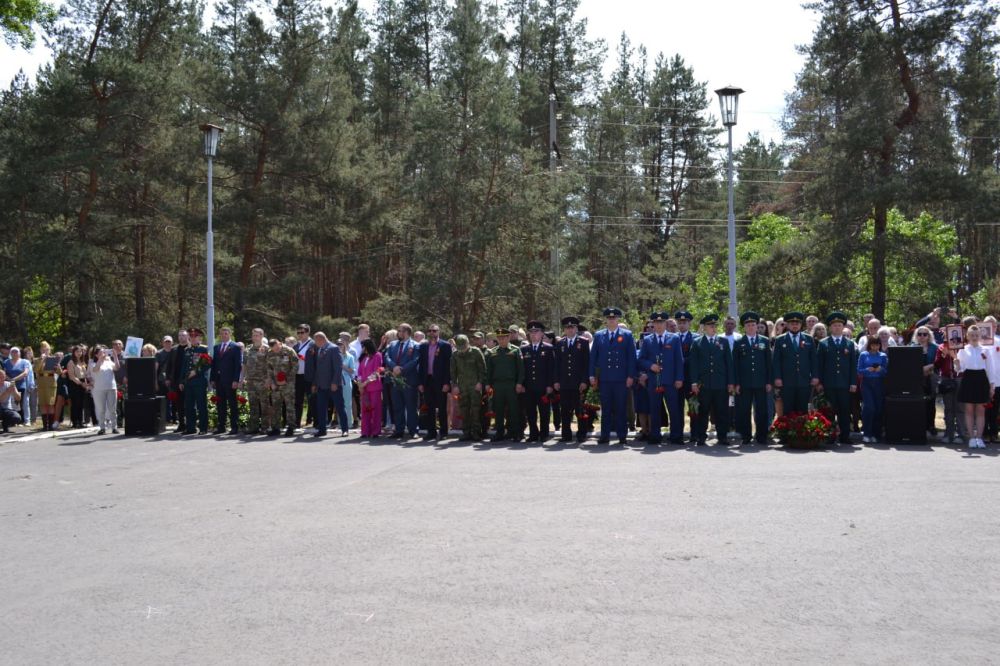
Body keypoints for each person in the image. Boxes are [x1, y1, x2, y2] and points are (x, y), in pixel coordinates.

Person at [589, 307, 637, 445]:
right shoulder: (599, 335)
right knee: (606, 408)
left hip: (621, 379)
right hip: (605, 379)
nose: (612, 320)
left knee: (621, 408)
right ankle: (605, 435)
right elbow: (593, 358)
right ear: (606, 320)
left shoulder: (627, 335)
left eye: (614, 318)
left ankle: (622, 436)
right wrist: (592, 375)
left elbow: (631, 358)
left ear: (618, 319)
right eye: (609, 318)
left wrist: (630, 376)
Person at [637, 312, 684, 445]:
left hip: (670, 381)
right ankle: (655, 435)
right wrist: (650, 365)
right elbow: (640, 360)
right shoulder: (647, 340)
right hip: (654, 381)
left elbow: (678, 361)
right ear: (653, 324)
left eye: (661, 322)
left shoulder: (674, 339)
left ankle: (676, 436)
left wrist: (679, 378)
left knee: (673, 409)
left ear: (665, 324)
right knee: (655, 409)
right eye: (656, 323)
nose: (658, 325)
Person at [689, 314, 734, 446]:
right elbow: (694, 365)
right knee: (703, 411)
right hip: (704, 384)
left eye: (715, 326)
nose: (713, 328)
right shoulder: (697, 343)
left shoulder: (723, 341)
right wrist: (694, 382)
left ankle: (722, 436)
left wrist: (730, 382)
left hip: (720, 383)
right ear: (704, 328)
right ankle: (701, 437)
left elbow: (729, 363)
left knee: (722, 411)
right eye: (710, 326)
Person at [817, 312, 858, 445]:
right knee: (829, 411)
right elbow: (820, 365)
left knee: (845, 412)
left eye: (839, 325)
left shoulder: (849, 344)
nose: (837, 328)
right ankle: (830, 436)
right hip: (829, 384)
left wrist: (853, 382)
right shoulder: (823, 344)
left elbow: (853, 365)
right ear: (830, 328)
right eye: (834, 326)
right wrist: (820, 382)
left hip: (845, 384)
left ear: (843, 327)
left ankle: (845, 436)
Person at [952, 325, 996, 449]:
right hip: (968, 379)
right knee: (969, 410)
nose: (974, 337)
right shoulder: (962, 349)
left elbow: (990, 369)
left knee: (981, 410)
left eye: (976, 335)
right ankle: (971, 438)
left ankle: (979, 438)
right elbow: (959, 369)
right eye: (972, 335)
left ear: (980, 336)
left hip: (982, 379)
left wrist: (992, 385)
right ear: (967, 336)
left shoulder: (986, 350)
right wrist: (956, 363)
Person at [733, 311, 772, 446]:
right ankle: (746, 435)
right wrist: (736, 383)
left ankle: (761, 436)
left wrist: (768, 381)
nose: (751, 327)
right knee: (744, 410)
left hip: (761, 382)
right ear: (744, 327)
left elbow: (769, 363)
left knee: (762, 410)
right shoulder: (739, 343)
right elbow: (735, 365)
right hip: (744, 383)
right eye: (748, 325)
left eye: (753, 324)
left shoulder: (764, 341)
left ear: (757, 326)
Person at [772, 311, 818, 414]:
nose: (795, 325)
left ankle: (802, 430)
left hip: (804, 379)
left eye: (797, 323)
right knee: (788, 408)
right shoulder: (780, 340)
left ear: (801, 325)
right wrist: (777, 377)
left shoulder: (809, 339)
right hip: (787, 380)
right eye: (792, 323)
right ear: (787, 325)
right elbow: (776, 361)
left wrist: (815, 376)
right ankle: (788, 430)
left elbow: (814, 360)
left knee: (803, 408)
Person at [554, 316, 590, 443]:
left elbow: (587, 364)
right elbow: (557, 364)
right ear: (564, 329)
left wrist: (584, 381)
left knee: (580, 410)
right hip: (564, 383)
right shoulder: (559, 344)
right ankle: (566, 434)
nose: (570, 330)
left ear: (576, 328)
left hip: (578, 383)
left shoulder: (584, 342)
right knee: (564, 411)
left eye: (572, 327)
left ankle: (582, 434)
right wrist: (556, 381)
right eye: (567, 328)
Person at [520, 321, 556, 443]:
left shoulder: (548, 348)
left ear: (542, 334)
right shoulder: (524, 349)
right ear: (528, 334)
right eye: (531, 332)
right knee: (530, 412)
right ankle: (533, 434)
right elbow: (522, 370)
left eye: (537, 332)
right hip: (529, 387)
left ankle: (544, 434)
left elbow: (551, 369)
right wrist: (523, 384)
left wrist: (550, 385)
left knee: (544, 412)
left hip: (543, 387)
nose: (534, 334)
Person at [486, 328, 524, 442]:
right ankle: (499, 432)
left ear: (508, 338)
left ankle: (516, 433)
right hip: (497, 385)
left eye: (504, 337)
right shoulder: (492, 352)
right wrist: (488, 384)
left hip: (511, 385)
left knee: (513, 410)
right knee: (499, 410)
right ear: (497, 339)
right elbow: (488, 370)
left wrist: (519, 383)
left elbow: (521, 369)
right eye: (500, 338)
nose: (502, 340)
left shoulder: (515, 350)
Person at [417, 324, 452, 441]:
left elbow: (449, 366)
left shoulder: (445, 345)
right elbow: (421, 365)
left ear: (439, 332)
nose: (432, 333)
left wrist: (447, 383)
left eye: (435, 331)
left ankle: (443, 432)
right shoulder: (424, 346)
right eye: (430, 330)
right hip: (427, 380)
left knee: (442, 407)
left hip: (441, 381)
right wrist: (420, 383)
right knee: (429, 408)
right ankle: (431, 432)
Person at [386, 323, 420, 439]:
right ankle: (399, 430)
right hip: (395, 380)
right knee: (397, 406)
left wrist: (402, 369)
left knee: (411, 407)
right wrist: (394, 367)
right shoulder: (392, 344)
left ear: (406, 332)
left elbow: (415, 360)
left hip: (409, 381)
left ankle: (413, 430)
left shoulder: (415, 345)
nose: (397, 333)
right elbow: (387, 357)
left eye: (400, 331)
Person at [450, 334, 486, 442]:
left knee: (475, 410)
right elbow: (453, 372)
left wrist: (480, 382)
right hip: (462, 386)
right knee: (464, 410)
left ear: (467, 343)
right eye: (460, 348)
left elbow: (482, 369)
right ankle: (466, 432)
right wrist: (455, 386)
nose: (462, 350)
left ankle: (476, 433)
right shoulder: (455, 355)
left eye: (463, 347)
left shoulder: (476, 352)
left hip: (475, 386)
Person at [308, 332, 343, 438]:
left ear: (320, 340)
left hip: (333, 384)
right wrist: (314, 383)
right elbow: (318, 369)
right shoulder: (319, 349)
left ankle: (345, 429)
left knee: (340, 407)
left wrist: (335, 382)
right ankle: (322, 430)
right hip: (321, 385)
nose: (315, 344)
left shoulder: (334, 348)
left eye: (316, 341)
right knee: (321, 408)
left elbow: (338, 367)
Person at [211, 327, 243, 435]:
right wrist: (212, 379)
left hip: (230, 381)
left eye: (226, 333)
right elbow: (214, 364)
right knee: (220, 404)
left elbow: (237, 365)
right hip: (219, 380)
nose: (224, 335)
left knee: (232, 404)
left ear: (230, 334)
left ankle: (234, 427)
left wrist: (236, 380)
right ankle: (221, 426)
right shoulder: (216, 347)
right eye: (221, 334)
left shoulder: (235, 347)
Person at [180, 328, 211, 435]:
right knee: (189, 406)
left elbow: (207, 365)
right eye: (191, 337)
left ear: (199, 338)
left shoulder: (203, 349)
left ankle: (203, 428)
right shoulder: (187, 350)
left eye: (195, 337)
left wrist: (196, 372)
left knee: (201, 405)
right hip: (188, 382)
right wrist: (181, 381)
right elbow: (184, 367)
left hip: (199, 381)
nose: (193, 339)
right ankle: (190, 428)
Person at [267, 337, 299, 437]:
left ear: (280, 343)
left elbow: (295, 365)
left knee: (289, 406)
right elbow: (269, 368)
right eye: (273, 349)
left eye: (277, 347)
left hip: (288, 383)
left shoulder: (289, 351)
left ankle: (291, 427)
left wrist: (287, 379)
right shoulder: (270, 353)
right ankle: (276, 428)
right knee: (276, 406)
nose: (275, 350)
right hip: (275, 384)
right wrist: (271, 382)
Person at [241, 329, 271, 435]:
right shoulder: (248, 349)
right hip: (251, 381)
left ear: (262, 336)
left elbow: (270, 366)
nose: (255, 337)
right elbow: (244, 365)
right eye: (253, 335)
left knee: (264, 405)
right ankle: (253, 427)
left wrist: (268, 379)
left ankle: (265, 427)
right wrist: (242, 378)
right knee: (253, 404)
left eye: (257, 335)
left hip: (263, 381)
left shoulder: (267, 349)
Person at [858, 337, 888, 443]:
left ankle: (876, 434)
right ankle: (867, 433)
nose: (875, 347)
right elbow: (859, 370)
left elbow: (886, 372)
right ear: (869, 345)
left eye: (877, 345)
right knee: (869, 407)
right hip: (867, 383)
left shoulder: (883, 356)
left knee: (878, 409)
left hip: (879, 383)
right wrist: (867, 370)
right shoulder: (863, 355)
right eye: (873, 344)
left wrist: (880, 369)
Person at [911, 325, 939, 437]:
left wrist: (930, 367)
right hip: (916, 378)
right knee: (918, 402)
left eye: (924, 334)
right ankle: (919, 425)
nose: (922, 336)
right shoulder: (912, 347)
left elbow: (939, 362)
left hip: (931, 376)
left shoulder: (935, 347)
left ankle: (930, 426)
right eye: (919, 334)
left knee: (931, 402)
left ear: (929, 336)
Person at [87, 346, 120, 435]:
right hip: (99, 389)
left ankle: (114, 427)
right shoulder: (92, 363)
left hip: (111, 387)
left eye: (104, 352)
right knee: (101, 409)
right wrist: (100, 360)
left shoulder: (109, 361)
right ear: (96, 355)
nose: (104, 354)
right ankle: (102, 427)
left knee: (112, 409)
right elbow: (96, 369)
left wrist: (115, 356)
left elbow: (117, 367)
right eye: (101, 352)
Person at [934, 335, 961, 444]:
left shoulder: (962, 346)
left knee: (959, 408)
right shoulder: (941, 347)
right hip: (946, 379)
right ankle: (948, 434)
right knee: (948, 408)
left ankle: (961, 434)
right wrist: (944, 355)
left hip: (959, 378)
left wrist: (954, 356)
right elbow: (937, 365)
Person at [357, 339, 384, 438]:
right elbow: (359, 372)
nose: (362, 349)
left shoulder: (377, 355)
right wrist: (360, 383)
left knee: (375, 409)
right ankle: (365, 431)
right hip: (364, 388)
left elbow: (376, 372)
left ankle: (375, 431)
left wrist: (365, 383)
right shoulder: (364, 358)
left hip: (374, 387)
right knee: (365, 410)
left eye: (363, 346)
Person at [165, 329, 190, 432]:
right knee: (179, 404)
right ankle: (181, 425)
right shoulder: (174, 349)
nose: (181, 337)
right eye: (179, 336)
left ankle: (190, 424)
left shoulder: (191, 348)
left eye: (183, 335)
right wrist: (167, 378)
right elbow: (169, 365)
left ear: (187, 336)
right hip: (176, 380)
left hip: (188, 380)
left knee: (188, 403)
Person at [293, 323, 315, 429]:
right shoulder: (296, 346)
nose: (300, 335)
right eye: (298, 332)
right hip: (298, 376)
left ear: (308, 332)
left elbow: (317, 361)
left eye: (302, 332)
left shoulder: (313, 344)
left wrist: (304, 358)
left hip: (309, 376)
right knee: (298, 400)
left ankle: (315, 422)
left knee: (312, 400)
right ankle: (297, 423)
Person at [34, 342, 58, 431]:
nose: (45, 351)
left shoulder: (53, 359)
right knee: (43, 404)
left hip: (51, 383)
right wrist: (42, 360)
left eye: (47, 349)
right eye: (43, 350)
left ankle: (51, 425)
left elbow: (59, 372)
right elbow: (36, 370)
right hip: (41, 383)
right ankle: (45, 426)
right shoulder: (37, 359)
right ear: (40, 350)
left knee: (51, 404)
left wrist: (57, 366)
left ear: (50, 350)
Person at [6, 347, 32, 426]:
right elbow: (4, 372)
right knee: (13, 403)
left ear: (19, 353)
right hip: (10, 385)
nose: (14, 353)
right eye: (13, 352)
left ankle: (26, 420)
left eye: (16, 352)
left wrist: (14, 379)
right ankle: (15, 421)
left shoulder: (25, 362)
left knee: (23, 403)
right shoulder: (6, 362)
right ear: (10, 353)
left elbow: (25, 373)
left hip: (21, 385)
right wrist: (10, 379)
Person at [66, 345, 90, 428]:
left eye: (80, 351)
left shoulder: (82, 362)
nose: (79, 353)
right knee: (75, 404)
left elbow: (85, 375)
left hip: (82, 383)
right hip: (75, 384)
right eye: (77, 352)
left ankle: (80, 421)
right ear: (73, 353)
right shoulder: (71, 362)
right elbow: (71, 376)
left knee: (81, 404)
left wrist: (86, 384)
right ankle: (75, 422)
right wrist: (81, 383)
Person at [337, 334, 356, 434]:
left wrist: (343, 366)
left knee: (347, 403)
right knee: (339, 404)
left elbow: (352, 371)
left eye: (341, 344)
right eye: (338, 344)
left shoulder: (350, 357)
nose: (339, 346)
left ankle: (349, 423)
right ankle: (340, 423)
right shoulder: (334, 355)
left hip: (346, 381)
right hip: (336, 381)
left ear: (345, 345)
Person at [156, 336, 174, 422]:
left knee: (174, 400)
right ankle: (165, 419)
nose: (167, 343)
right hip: (161, 381)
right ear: (163, 343)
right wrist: (155, 382)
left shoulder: (175, 352)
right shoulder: (158, 353)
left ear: (172, 343)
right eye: (166, 342)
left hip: (173, 380)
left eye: (169, 342)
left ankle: (173, 418)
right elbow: (156, 369)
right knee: (164, 401)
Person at [0, 368, 22, 432]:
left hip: (7, 409)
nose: (1, 378)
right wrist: (7, 392)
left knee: (17, 418)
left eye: (2, 377)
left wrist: (14, 391)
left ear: (5, 377)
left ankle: (5, 425)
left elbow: (18, 399)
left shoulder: (8, 384)